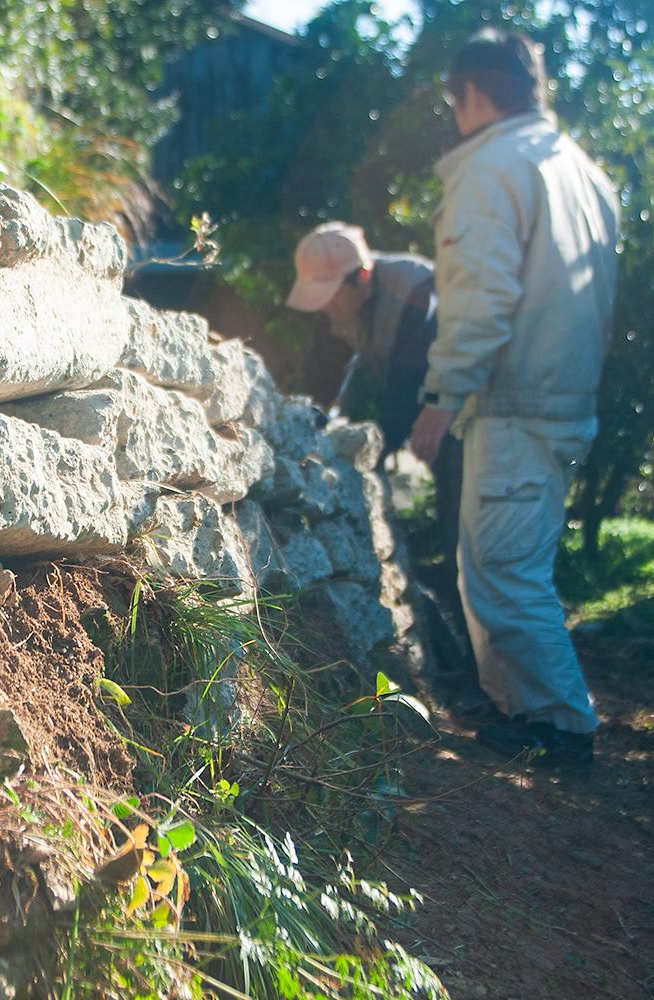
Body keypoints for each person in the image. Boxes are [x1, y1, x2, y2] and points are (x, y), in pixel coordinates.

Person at [410, 29, 620, 766]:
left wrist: (440, 399)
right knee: (507, 565)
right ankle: (526, 716)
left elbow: (480, 296)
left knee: (503, 572)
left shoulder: (493, 167)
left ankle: (560, 726)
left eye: (453, 100)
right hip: (563, 398)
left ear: (471, 92)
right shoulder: (579, 170)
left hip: (516, 400)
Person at [284, 224, 478, 694]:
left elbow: (405, 392)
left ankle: (487, 680)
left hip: (468, 420)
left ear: (361, 277)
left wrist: (370, 448)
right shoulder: (350, 301)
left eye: (332, 296)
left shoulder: (414, 293)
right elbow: (324, 368)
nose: (327, 309)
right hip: (431, 413)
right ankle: (474, 672)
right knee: (462, 551)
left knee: (468, 550)